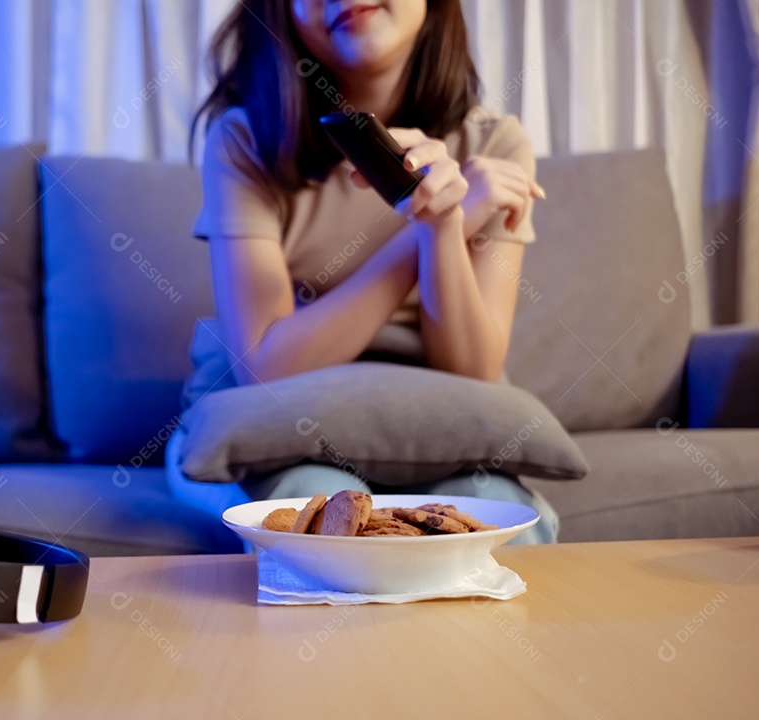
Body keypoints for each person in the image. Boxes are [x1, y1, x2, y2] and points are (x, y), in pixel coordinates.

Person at [165, 0, 557, 544]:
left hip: (437, 416)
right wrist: (431, 225)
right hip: (282, 421)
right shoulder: (245, 142)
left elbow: (472, 371)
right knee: (322, 525)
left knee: (495, 521)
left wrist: (444, 227)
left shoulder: (496, 145)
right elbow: (267, 367)